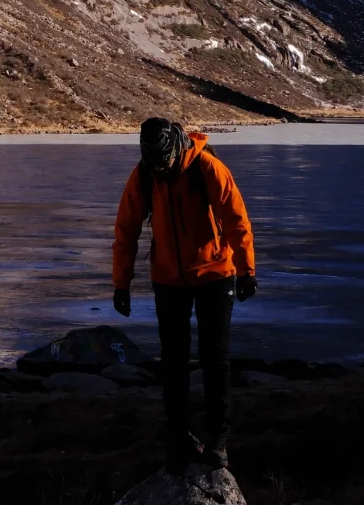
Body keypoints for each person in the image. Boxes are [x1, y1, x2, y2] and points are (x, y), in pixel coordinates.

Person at [112, 117, 256, 475]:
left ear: (175, 148)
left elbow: (237, 220)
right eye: (154, 164)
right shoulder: (145, 174)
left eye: (164, 163)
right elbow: (126, 229)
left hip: (214, 273)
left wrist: (247, 270)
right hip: (168, 279)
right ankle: (179, 440)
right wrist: (121, 282)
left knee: (215, 359)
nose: (160, 169)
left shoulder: (207, 167)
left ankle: (218, 440)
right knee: (173, 363)